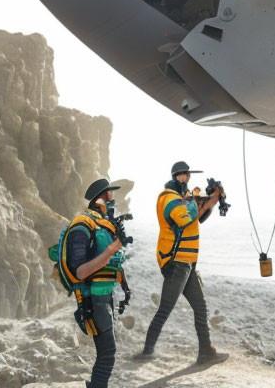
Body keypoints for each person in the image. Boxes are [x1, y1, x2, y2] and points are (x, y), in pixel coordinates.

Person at [137, 161, 228, 367]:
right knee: (166, 308)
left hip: (186, 263)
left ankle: (205, 352)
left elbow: (199, 218)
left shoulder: (182, 199)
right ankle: (146, 352)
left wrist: (212, 199)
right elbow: (185, 219)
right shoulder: (169, 198)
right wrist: (197, 201)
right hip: (176, 262)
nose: (186, 179)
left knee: (200, 307)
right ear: (175, 176)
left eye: (188, 176)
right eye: (182, 176)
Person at [61, 178, 126, 388]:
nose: (113, 200)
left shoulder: (103, 226)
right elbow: (80, 271)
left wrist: (125, 288)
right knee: (107, 354)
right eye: (111, 195)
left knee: (107, 353)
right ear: (102, 197)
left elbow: (110, 266)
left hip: (105, 296)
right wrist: (111, 250)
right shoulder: (82, 223)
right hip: (93, 298)